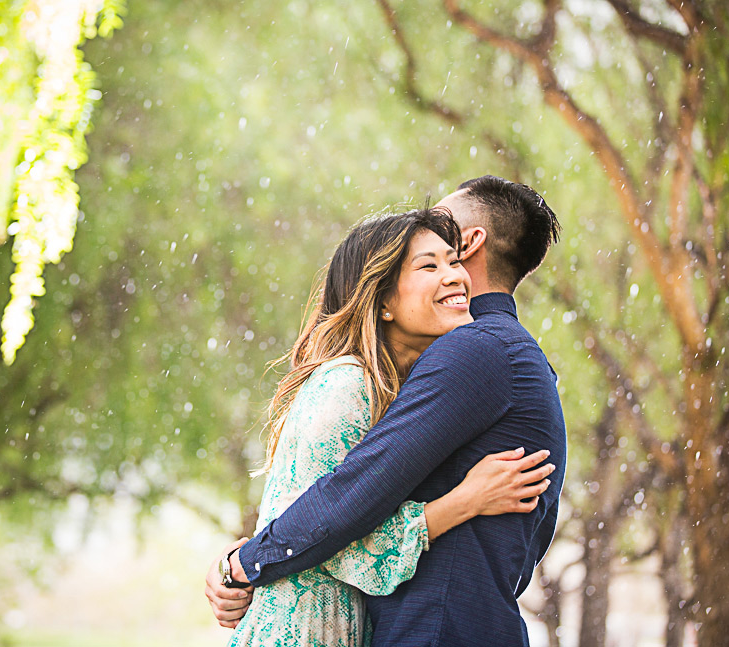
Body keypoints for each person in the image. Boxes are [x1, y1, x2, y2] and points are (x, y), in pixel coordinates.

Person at [205, 176, 566, 647]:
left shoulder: (480, 351)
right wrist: (244, 562)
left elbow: (351, 495)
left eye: (449, 252)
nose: (447, 269)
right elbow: (333, 500)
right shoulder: (366, 379)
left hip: (436, 631)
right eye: (428, 263)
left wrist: (242, 564)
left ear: (470, 241)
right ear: (386, 299)